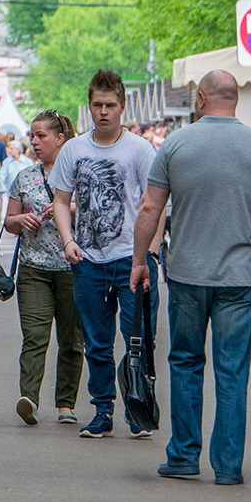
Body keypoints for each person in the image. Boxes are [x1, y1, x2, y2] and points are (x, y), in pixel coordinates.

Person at [132, 71, 251, 486]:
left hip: (187, 273)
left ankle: (183, 456)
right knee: (233, 370)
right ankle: (228, 466)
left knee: (185, 362)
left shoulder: (176, 145)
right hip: (240, 276)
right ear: (234, 99)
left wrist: (139, 260)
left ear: (200, 98)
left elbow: (150, 208)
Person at [51, 68, 161, 440]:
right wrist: (68, 240)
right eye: (97, 105)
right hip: (89, 261)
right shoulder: (74, 149)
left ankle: (137, 405)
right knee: (97, 342)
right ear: (89, 107)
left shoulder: (141, 150)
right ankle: (103, 410)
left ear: (122, 106)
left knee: (138, 339)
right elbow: (61, 201)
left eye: (110, 105)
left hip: (132, 258)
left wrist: (152, 254)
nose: (104, 112)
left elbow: (156, 204)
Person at [6, 110, 85, 427]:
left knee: (71, 339)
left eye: (41, 136)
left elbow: (99, 213)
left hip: (74, 268)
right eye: (32, 136)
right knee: (35, 337)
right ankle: (29, 399)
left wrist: (70, 207)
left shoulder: (81, 174)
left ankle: (66, 403)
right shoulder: (25, 177)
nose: (34, 142)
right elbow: (9, 223)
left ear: (60, 139)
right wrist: (20, 220)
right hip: (33, 269)